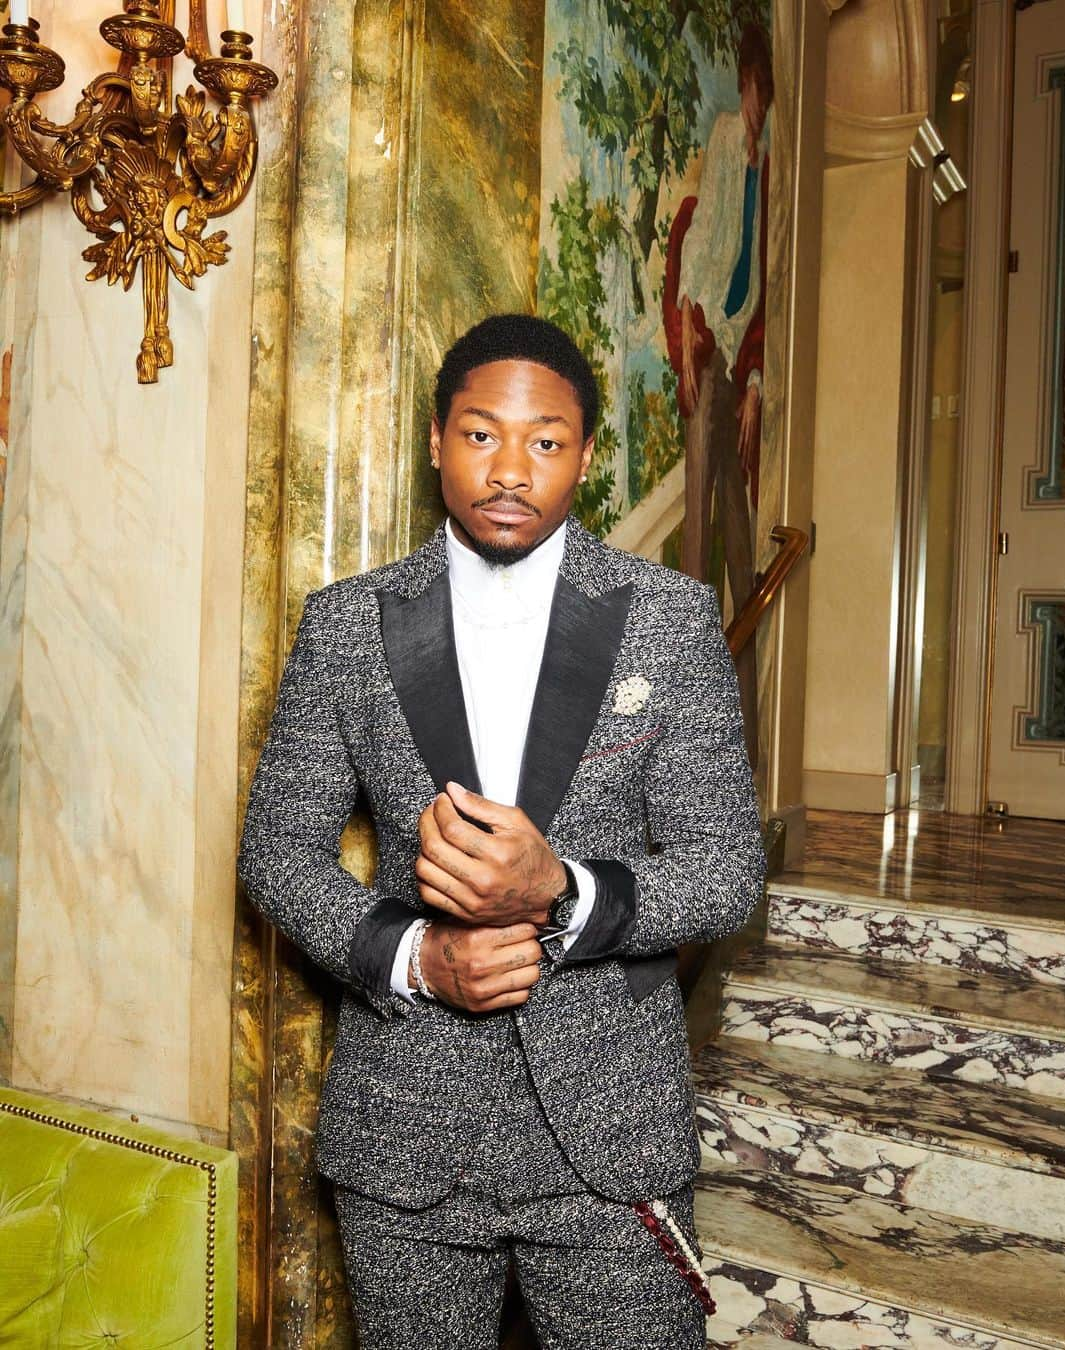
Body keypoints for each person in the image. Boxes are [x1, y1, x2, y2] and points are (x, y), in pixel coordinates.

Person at [239, 313, 764, 1349]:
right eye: (482, 434)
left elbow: (726, 871)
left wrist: (560, 893)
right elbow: (276, 854)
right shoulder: (349, 622)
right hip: (405, 1132)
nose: (512, 469)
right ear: (437, 440)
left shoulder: (671, 617)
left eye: (547, 440)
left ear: (585, 455)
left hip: (609, 1135)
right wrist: (422, 958)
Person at [662, 21, 774, 768]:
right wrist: (695, 336)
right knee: (700, 548)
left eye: (764, 95)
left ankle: (743, 751)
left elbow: (759, 276)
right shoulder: (730, 133)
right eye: (755, 91)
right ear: (746, 86)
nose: (759, 107)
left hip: (734, 355)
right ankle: (691, 746)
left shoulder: (766, 161)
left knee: (743, 551)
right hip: (708, 344)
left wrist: (755, 377)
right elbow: (699, 241)